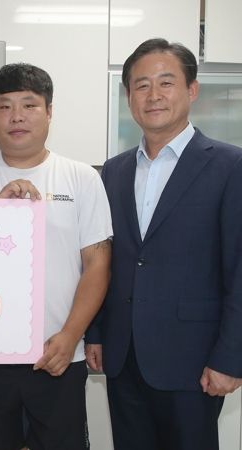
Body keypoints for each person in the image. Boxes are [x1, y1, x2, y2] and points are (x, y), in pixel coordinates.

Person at [0, 63, 112, 450]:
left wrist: (70, 336)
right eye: (5, 107)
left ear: (49, 112)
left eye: (29, 105)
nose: (16, 116)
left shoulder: (81, 177)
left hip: (58, 354)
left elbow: (98, 264)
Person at [85, 38, 242, 450]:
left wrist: (231, 357)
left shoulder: (230, 165)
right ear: (129, 97)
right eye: (141, 85)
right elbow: (104, 259)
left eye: (166, 83)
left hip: (194, 359)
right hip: (123, 355)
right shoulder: (114, 171)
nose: (153, 95)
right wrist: (96, 332)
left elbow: (239, 269)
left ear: (192, 90)